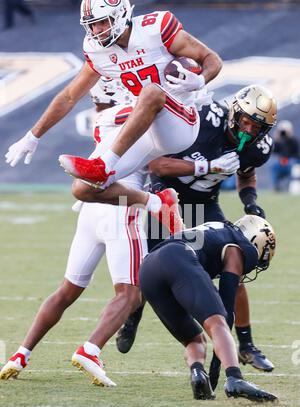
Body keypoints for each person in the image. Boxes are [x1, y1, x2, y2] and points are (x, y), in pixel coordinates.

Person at [0, 77, 180, 386]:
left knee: (68, 289)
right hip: (121, 204)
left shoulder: (102, 120)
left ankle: (21, 353)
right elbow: (161, 157)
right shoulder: (136, 112)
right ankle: (91, 350)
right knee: (131, 294)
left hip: (89, 212)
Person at [117, 84, 277, 378]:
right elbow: (157, 165)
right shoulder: (202, 120)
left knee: (236, 266)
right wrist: (209, 167)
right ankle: (132, 317)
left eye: (256, 127)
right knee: (150, 271)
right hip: (168, 199)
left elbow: (247, 173)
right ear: (234, 112)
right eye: (245, 121)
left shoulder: (256, 148)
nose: (248, 130)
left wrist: (249, 200)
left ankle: (246, 344)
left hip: (205, 205)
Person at [5, 0, 222, 198]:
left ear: (120, 15)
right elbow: (70, 96)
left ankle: (104, 165)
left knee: (151, 92)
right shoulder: (97, 51)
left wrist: (200, 81)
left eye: (101, 22)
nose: (95, 30)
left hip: (180, 122)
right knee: (83, 189)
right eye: (91, 25)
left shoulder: (155, 28)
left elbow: (212, 59)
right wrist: (33, 136)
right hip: (144, 129)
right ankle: (156, 203)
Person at [139, 215, 278, 402]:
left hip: (148, 269)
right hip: (178, 257)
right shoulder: (237, 247)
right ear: (255, 241)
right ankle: (235, 379)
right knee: (217, 323)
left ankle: (198, 374)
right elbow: (226, 310)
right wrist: (219, 370)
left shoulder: (218, 228)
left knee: (194, 340)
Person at [271, 120, 299, 191]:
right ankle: (276, 187)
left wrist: (290, 137)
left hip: (292, 161)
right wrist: (276, 139)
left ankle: (290, 187)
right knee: (273, 165)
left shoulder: (294, 141)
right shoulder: (279, 141)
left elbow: (298, 154)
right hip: (281, 161)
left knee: (291, 164)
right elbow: (273, 151)